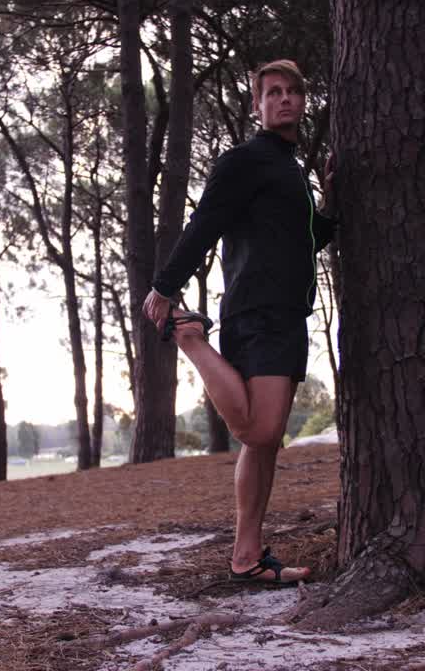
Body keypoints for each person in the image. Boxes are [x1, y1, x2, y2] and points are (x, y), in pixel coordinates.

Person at [143, 59, 335, 584]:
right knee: (261, 427)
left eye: (294, 91)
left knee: (263, 443)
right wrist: (166, 284)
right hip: (257, 310)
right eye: (273, 92)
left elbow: (307, 239)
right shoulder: (244, 160)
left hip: (288, 312)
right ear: (258, 104)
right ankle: (191, 339)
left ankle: (246, 558)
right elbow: (205, 223)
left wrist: (331, 202)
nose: (285, 100)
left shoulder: (290, 169)